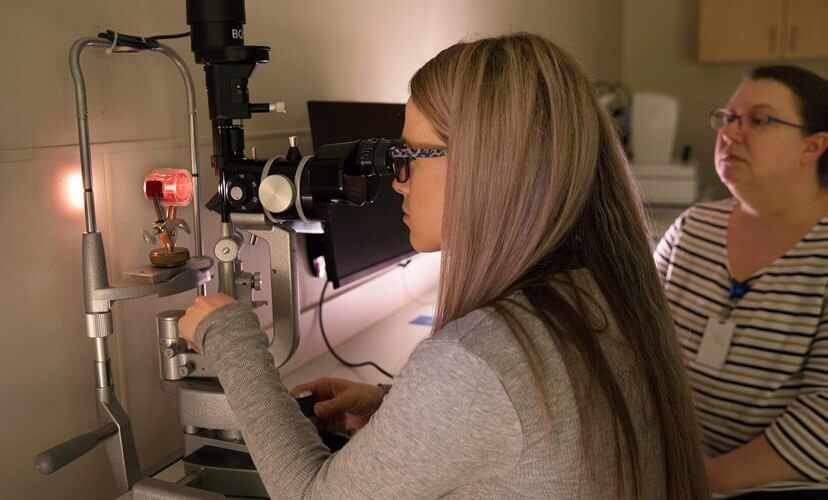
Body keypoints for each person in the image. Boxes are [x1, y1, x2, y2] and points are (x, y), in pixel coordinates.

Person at [179, 33, 708, 499]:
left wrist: (230, 338)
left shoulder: (476, 358)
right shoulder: (597, 290)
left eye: (411, 155)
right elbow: (528, 420)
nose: (400, 181)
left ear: (488, 165)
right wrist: (395, 407)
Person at [655, 65, 828, 498]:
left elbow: (823, 416)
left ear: (814, 146)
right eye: (728, 117)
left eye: (760, 119)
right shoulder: (693, 228)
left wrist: (702, 480)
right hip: (669, 468)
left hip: (781, 486)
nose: (731, 133)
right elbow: (632, 341)